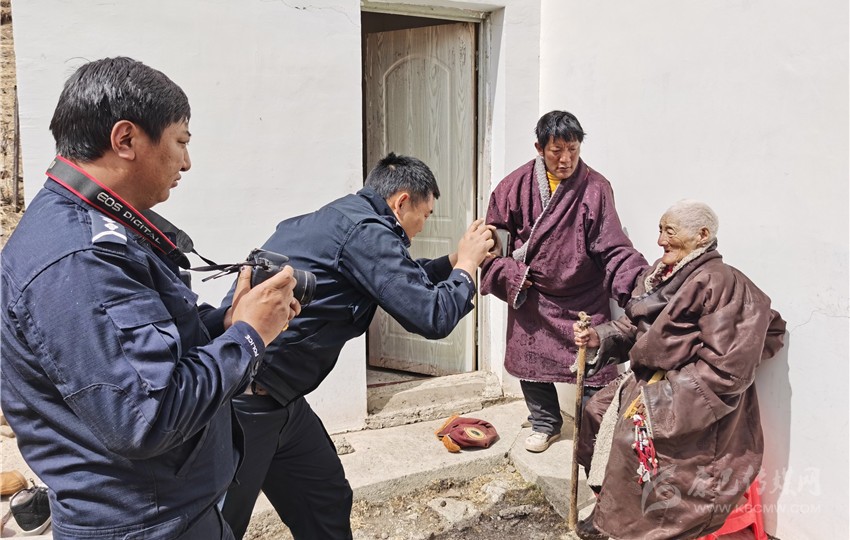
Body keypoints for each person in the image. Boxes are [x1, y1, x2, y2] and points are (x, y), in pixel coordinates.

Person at [0, 57, 300, 540]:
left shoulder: (96, 227)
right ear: (126, 140)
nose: (186, 162)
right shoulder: (79, 260)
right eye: (181, 141)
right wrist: (248, 337)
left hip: (169, 511)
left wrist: (224, 324)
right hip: (143, 525)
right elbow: (147, 418)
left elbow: (149, 349)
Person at [220, 152, 494, 539]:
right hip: (244, 401)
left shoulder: (350, 220)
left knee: (324, 499)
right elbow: (431, 316)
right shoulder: (365, 232)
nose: (423, 225)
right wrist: (466, 267)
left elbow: (403, 279)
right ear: (401, 202)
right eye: (426, 214)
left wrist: (456, 261)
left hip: (282, 398)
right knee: (218, 525)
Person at [572, 200, 786, 540]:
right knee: (596, 410)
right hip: (653, 382)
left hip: (695, 397)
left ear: (702, 235)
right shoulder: (661, 274)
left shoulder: (723, 283)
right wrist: (598, 337)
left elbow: (725, 371)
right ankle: (608, 506)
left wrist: (661, 401)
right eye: (660, 230)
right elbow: (634, 326)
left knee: (632, 434)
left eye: (669, 232)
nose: (660, 241)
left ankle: (639, 522)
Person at [480, 110, 648, 453]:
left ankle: (593, 432)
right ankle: (545, 422)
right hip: (533, 295)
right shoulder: (512, 187)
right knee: (529, 359)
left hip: (584, 297)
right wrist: (511, 275)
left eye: (573, 149)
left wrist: (640, 286)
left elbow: (613, 246)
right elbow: (491, 246)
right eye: (556, 150)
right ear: (539, 148)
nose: (566, 159)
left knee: (595, 368)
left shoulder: (596, 188)